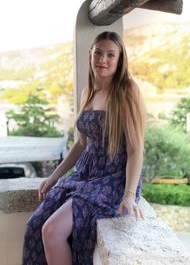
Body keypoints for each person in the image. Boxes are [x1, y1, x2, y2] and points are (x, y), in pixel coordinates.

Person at [22, 31, 146, 265]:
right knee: (34, 226)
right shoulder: (87, 92)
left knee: (52, 231)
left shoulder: (127, 91)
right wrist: (54, 176)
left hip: (112, 178)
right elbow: (81, 144)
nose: (103, 59)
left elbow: (135, 150)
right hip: (86, 175)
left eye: (111, 55)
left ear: (120, 60)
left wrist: (129, 197)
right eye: (98, 53)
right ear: (90, 55)